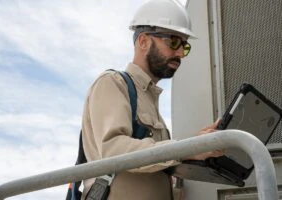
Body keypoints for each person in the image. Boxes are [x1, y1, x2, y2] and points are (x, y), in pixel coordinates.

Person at [81, 0, 222, 199]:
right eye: (174, 42)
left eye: (185, 46)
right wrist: (188, 148)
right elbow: (113, 149)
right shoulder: (112, 83)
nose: (181, 53)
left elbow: (154, 163)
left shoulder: (149, 99)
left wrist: (200, 150)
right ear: (143, 41)